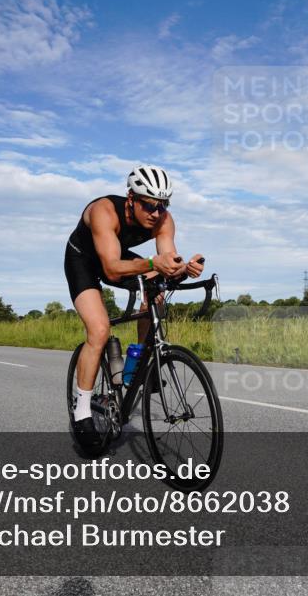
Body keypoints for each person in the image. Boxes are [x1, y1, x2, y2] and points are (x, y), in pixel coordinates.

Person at [64, 165, 204, 453]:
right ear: (131, 198)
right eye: (149, 205)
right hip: (84, 261)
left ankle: (137, 364)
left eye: (163, 205)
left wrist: (182, 269)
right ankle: (82, 410)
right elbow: (112, 270)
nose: (156, 212)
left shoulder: (164, 220)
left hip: (118, 256)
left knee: (157, 294)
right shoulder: (104, 211)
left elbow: (167, 260)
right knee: (100, 330)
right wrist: (153, 264)